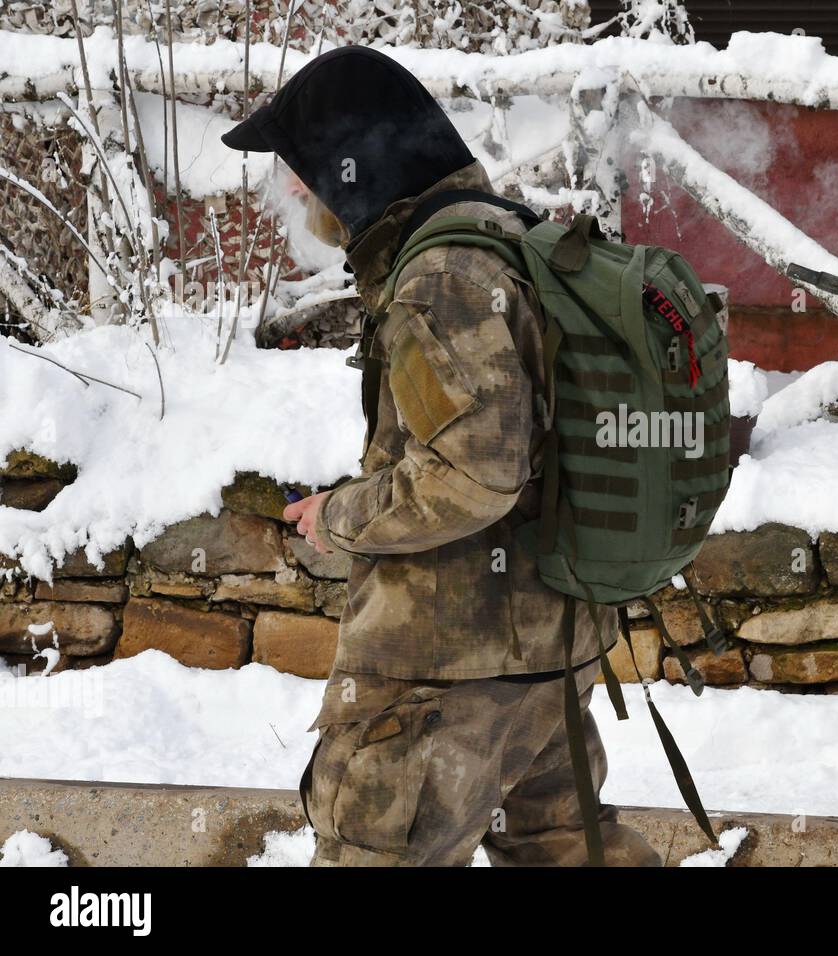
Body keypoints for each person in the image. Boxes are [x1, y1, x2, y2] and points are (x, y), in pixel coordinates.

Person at [221, 46, 661, 867]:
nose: (290, 188)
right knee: (567, 850)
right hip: (551, 650)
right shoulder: (515, 239)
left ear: (354, 168)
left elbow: (477, 470)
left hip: (444, 670)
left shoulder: (442, 276)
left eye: (300, 168)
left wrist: (343, 514)